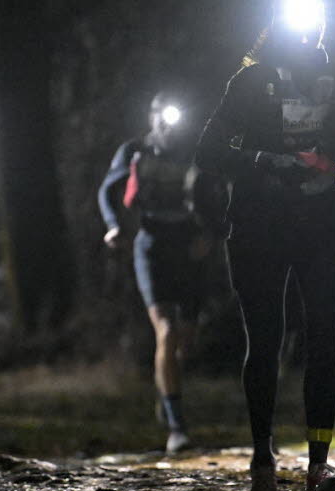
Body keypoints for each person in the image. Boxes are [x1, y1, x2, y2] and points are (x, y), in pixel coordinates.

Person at [196, 0, 335, 491]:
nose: (306, 29)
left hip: (323, 226)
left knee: (323, 337)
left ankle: (319, 467)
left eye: (315, 18)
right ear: (276, 25)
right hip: (259, 225)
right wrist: (265, 160)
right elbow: (207, 151)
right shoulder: (250, 81)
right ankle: (263, 464)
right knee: (265, 341)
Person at [98, 92, 226, 456]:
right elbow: (107, 190)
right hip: (151, 246)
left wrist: (211, 235)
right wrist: (113, 226)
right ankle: (177, 427)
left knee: (184, 341)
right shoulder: (135, 151)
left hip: (187, 247)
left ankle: (165, 387)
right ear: (152, 117)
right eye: (163, 118)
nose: (170, 126)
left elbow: (220, 196)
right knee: (166, 332)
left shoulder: (197, 153)